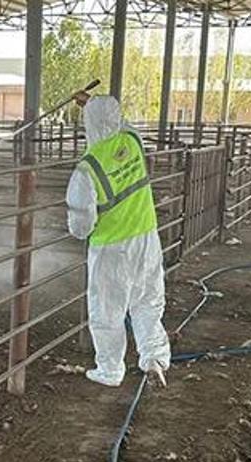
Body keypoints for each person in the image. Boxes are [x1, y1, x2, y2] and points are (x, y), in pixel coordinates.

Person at [66, 94, 171, 387]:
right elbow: (121, 122)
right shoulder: (133, 140)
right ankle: (154, 359)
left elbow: (80, 227)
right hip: (146, 237)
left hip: (112, 248)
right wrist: (90, 102)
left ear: (87, 124)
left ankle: (110, 370)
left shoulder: (86, 170)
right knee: (148, 300)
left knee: (107, 310)